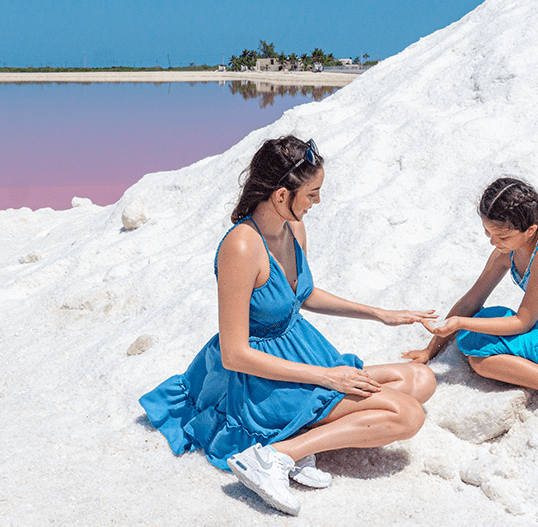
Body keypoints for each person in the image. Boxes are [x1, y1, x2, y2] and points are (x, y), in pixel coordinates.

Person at [139, 136, 437, 516]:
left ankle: (301, 435)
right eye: (312, 194)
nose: (317, 203)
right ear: (281, 195)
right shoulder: (242, 247)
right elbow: (234, 354)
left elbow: (301, 294)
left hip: (301, 355)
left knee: (420, 380)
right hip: (258, 379)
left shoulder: (292, 228)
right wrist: (328, 378)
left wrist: (378, 313)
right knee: (407, 415)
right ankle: (276, 456)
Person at [403, 177, 538, 438]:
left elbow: (523, 322)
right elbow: (473, 298)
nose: (493, 241)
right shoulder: (508, 249)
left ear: (531, 230)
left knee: (480, 356)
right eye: (489, 233)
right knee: (482, 326)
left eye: (502, 235)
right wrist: (430, 349)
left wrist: (461, 323)